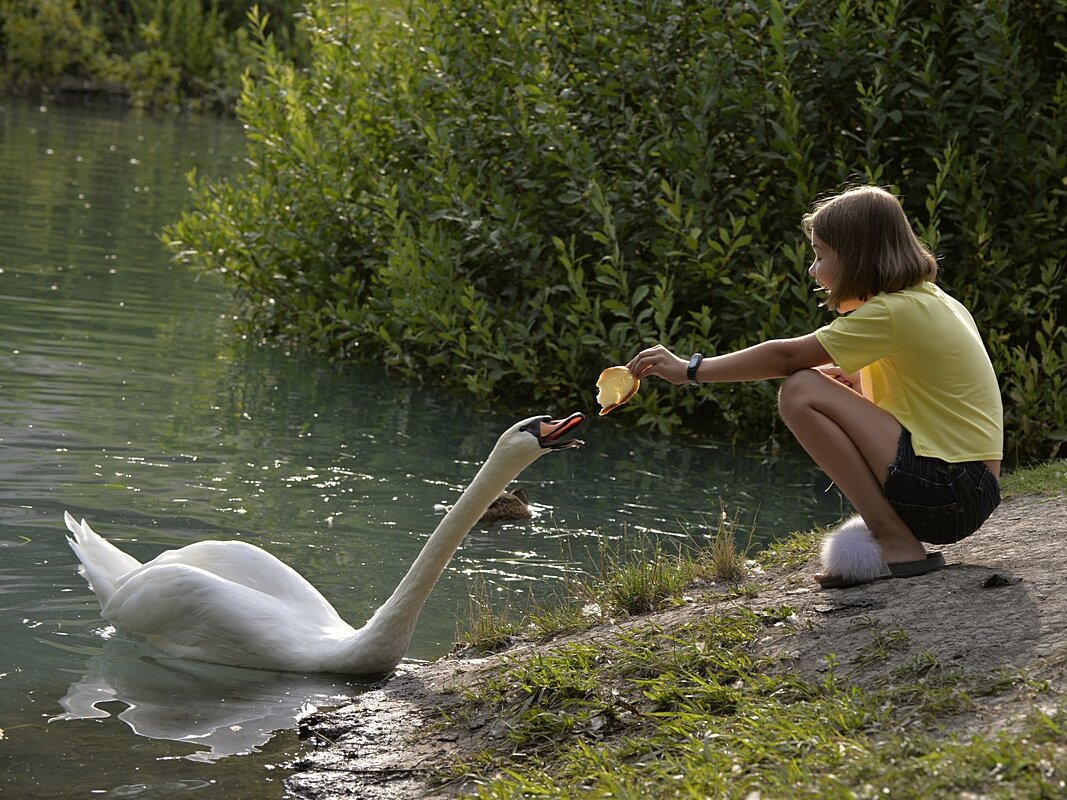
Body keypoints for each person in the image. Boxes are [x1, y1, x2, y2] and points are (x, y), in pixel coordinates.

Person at [627, 185, 1003, 589]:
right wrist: (856, 382)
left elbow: (787, 357)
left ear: (856, 257)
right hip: (967, 489)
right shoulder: (933, 300)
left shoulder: (893, 311)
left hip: (951, 490)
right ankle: (896, 539)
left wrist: (690, 369)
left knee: (801, 389)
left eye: (820, 255)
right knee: (829, 381)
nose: (812, 269)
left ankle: (896, 543)